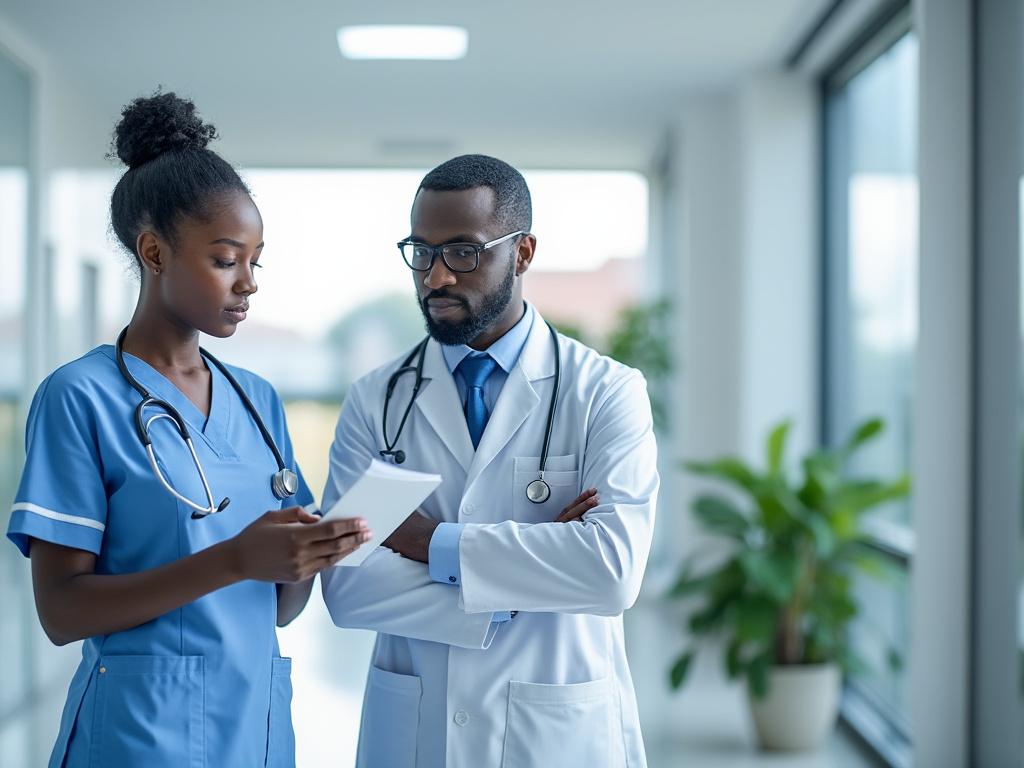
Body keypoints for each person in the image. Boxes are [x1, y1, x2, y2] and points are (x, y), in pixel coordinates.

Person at [5, 91, 370, 768]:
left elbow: (279, 610)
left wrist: (315, 552)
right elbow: (61, 612)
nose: (249, 284)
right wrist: (234, 558)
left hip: (256, 733)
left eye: (256, 262)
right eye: (227, 259)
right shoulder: (80, 398)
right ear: (154, 252)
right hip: (141, 738)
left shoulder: (257, 399)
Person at [320, 154, 658, 767]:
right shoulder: (378, 400)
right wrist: (523, 582)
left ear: (523, 252)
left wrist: (431, 543)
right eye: (421, 252)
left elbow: (611, 571)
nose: (436, 277)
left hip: (554, 732)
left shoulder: (604, 391)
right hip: (415, 730)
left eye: (463, 253)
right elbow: (347, 586)